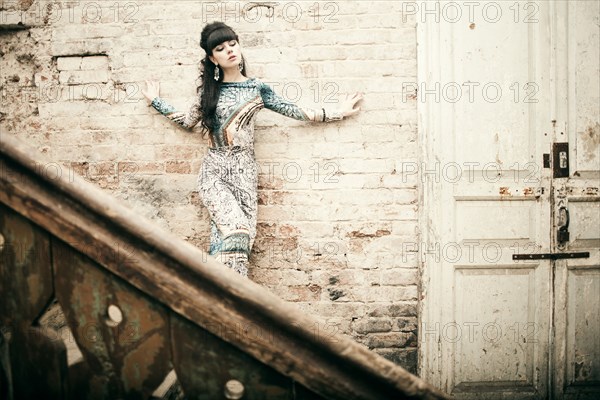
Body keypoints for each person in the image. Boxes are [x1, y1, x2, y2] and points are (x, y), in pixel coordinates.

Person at [142, 21, 362, 277]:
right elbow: (187, 122)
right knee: (237, 230)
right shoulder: (207, 93)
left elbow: (296, 111)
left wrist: (338, 113)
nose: (230, 50)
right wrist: (155, 101)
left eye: (233, 44)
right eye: (221, 48)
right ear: (213, 58)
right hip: (214, 171)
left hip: (245, 173)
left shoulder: (257, 89)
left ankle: (222, 301)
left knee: (236, 244)